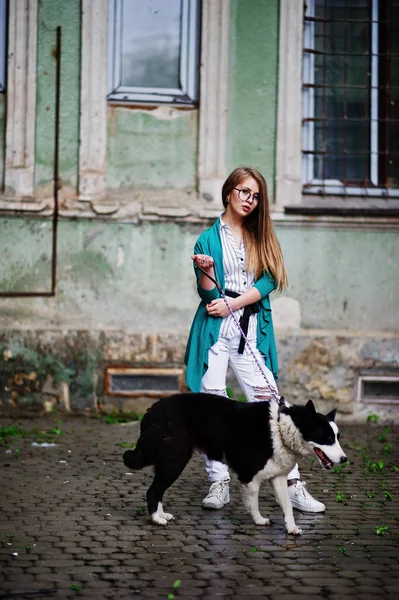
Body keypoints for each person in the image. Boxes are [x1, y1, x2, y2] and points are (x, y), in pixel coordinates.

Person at [184, 166, 325, 513]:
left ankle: (293, 484)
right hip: (215, 330)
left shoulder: (260, 235)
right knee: (213, 406)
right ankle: (219, 483)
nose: (250, 200)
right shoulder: (207, 238)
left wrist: (234, 302)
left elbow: (267, 283)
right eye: (245, 192)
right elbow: (207, 296)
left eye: (256, 195)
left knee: (271, 404)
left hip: (249, 328)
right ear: (229, 192)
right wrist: (209, 273)